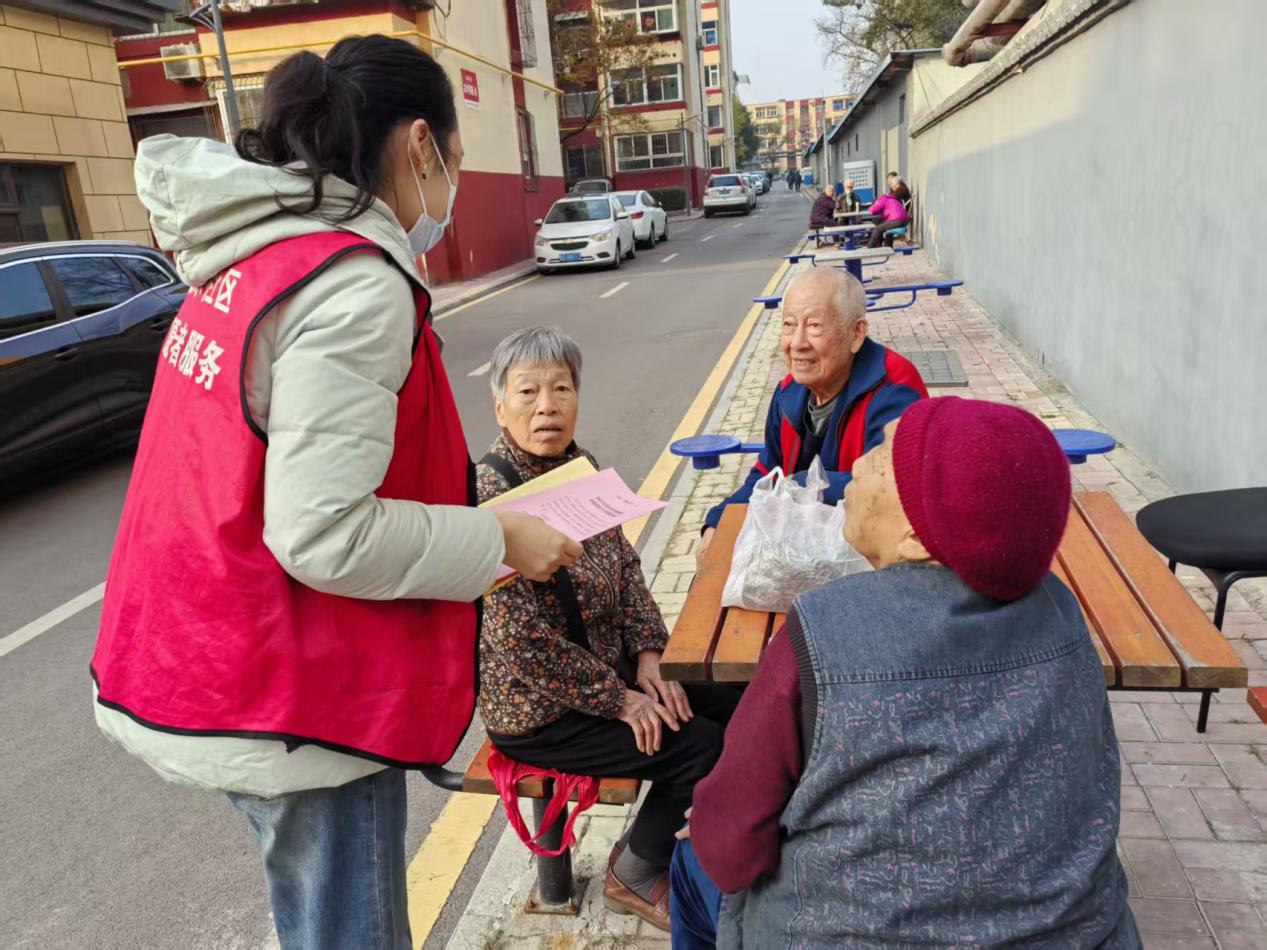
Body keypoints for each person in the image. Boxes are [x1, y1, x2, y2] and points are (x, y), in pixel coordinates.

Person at [90, 37, 582, 950]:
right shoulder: (352, 281)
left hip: (211, 655)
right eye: (457, 157)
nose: (452, 185)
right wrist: (500, 540)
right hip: (297, 689)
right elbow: (324, 532)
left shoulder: (256, 255)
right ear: (420, 148)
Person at [672, 397, 1142, 949]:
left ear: (920, 536)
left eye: (884, 451)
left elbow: (730, 852)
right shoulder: (1062, 614)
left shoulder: (821, 630)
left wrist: (713, 827)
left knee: (690, 861)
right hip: (1077, 934)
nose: (862, 461)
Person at [475, 327, 742, 933]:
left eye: (562, 388)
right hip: (541, 711)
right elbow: (521, 644)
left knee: (734, 701)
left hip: (612, 670)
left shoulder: (579, 464)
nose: (548, 405)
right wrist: (621, 699)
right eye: (528, 392)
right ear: (500, 405)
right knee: (699, 746)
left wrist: (650, 654)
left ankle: (712, 841)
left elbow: (624, 564)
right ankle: (636, 871)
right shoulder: (488, 494)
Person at [698, 268, 926, 563]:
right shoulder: (788, 393)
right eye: (789, 325)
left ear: (856, 334)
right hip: (807, 551)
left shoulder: (894, 389)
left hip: (869, 558)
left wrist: (800, 484)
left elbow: (891, 490)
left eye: (815, 326)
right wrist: (718, 519)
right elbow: (767, 474)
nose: (797, 343)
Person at [866, 176, 911, 247]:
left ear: (896, 184)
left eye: (892, 184)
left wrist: (872, 206)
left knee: (877, 228)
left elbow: (873, 210)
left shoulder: (901, 190)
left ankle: (871, 245)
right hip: (903, 217)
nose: (892, 186)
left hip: (898, 218)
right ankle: (887, 245)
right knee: (885, 225)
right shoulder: (893, 195)